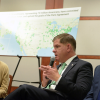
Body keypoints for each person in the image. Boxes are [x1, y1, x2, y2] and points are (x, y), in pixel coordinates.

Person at [4, 33, 93, 100]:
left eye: (57, 46)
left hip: (62, 98)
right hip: (49, 96)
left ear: (68, 47)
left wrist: (58, 79)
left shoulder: (83, 65)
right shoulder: (58, 67)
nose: (53, 50)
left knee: (24, 89)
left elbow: (82, 93)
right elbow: (45, 91)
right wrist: (44, 83)